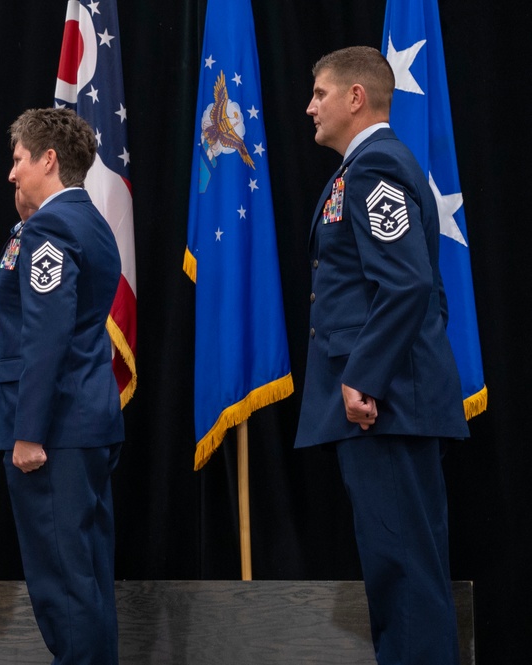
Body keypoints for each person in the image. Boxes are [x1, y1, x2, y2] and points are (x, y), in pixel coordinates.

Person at [296, 46, 469, 664]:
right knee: (395, 572)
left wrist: (365, 376)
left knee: (405, 575)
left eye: (319, 93)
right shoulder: (371, 168)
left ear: (355, 97)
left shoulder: (376, 170)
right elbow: (428, 292)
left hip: (385, 405)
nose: (310, 106)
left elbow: (408, 285)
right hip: (390, 402)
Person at [0, 107, 125, 665]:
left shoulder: (49, 227)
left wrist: (29, 431)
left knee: (64, 589)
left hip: (55, 431)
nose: (12, 173)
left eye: (18, 160)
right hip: (85, 421)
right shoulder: (90, 220)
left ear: (49, 159)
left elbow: (45, 338)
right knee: (87, 581)